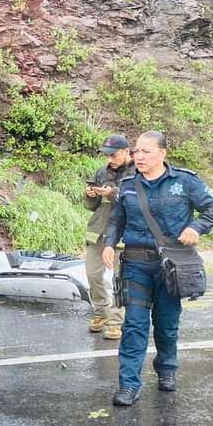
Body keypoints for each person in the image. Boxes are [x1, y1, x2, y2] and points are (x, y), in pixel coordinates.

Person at [102, 131, 213, 407]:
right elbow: (116, 219)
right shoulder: (129, 185)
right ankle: (129, 385)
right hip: (135, 263)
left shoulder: (185, 182)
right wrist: (109, 244)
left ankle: (167, 368)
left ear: (162, 153)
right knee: (134, 324)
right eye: (136, 151)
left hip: (172, 265)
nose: (139, 156)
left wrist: (196, 227)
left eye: (146, 151)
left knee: (167, 324)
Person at [83, 135, 134, 340]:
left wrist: (113, 193)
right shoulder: (102, 172)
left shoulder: (137, 172)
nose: (110, 159)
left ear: (126, 152)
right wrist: (91, 195)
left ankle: (116, 320)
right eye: (107, 155)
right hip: (99, 232)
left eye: (114, 155)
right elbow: (90, 207)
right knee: (92, 274)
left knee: (119, 280)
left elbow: (132, 200)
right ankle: (101, 312)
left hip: (125, 233)